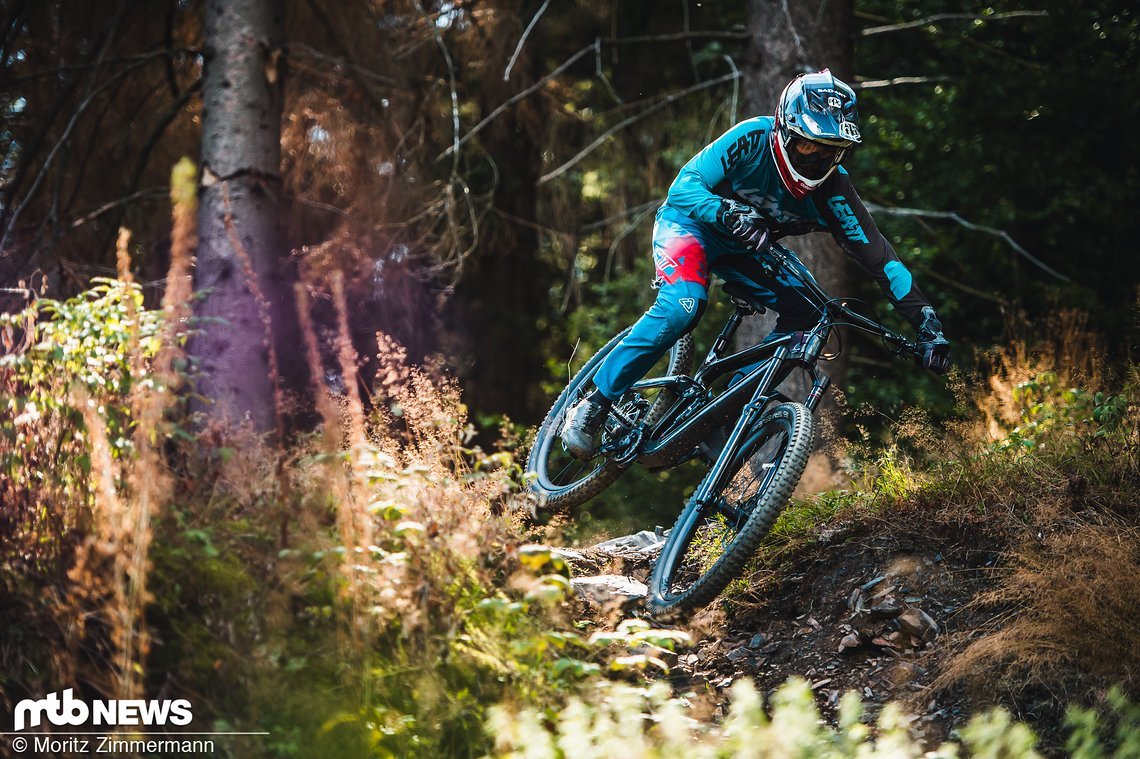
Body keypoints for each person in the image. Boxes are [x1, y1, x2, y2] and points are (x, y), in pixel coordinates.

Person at [560, 69, 951, 460]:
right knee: (685, 305)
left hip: (748, 249)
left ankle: (721, 414)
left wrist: (925, 321)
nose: (815, 159)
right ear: (784, 129)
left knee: (811, 315)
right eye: (807, 147)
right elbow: (684, 187)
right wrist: (726, 214)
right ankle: (594, 404)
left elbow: (880, 259)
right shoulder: (751, 138)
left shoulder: (834, 193)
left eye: (828, 151)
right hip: (690, 225)